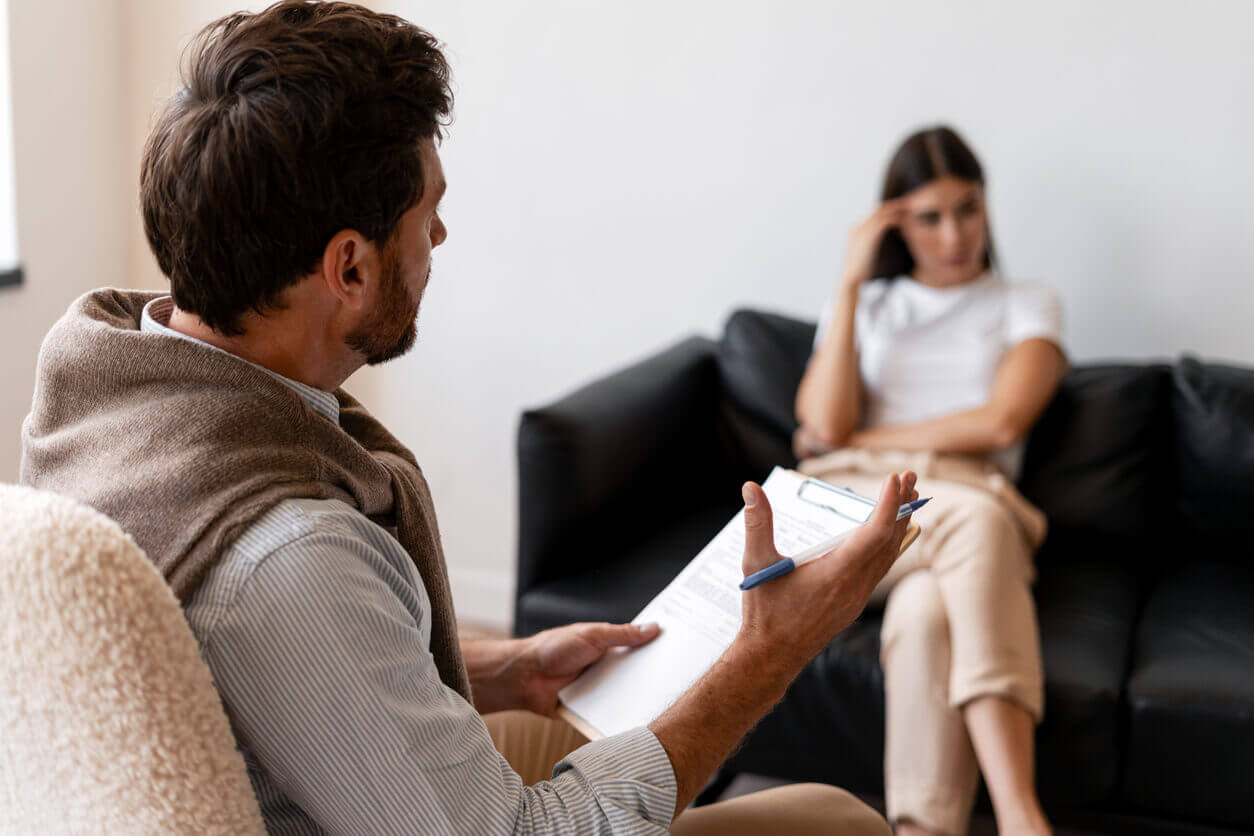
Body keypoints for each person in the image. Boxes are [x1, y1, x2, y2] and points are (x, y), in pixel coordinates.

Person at [21, 3, 917, 833]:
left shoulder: (111, 381)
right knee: (833, 818)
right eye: (429, 210)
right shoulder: (289, 557)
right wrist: (771, 654)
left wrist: (501, 667)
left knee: (592, 735)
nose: (439, 239)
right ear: (350, 269)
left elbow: (285, 673)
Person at [793, 126, 1066, 836]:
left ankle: (919, 828)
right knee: (974, 524)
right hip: (852, 500)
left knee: (926, 615)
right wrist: (850, 284)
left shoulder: (1026, 302)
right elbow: (821, 424)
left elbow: (1003, 423)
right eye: (930, 216)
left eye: (968, 209)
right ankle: (1020, 815)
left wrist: (861, 436)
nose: (954, 234)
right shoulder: (871, 304)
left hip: (960, 498)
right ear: (895, 222)